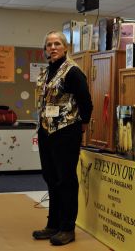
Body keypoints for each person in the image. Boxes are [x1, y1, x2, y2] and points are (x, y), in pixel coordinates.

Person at [32, 31, 93, 245]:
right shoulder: (46, 72)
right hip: (46, 131)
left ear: (65, 47)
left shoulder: (73, 72)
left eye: (57, 43)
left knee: (66, 180)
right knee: (50, 177)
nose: (53, 47)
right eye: (49, 44)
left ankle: (68, 228)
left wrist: (82, 124)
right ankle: (53, 224)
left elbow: (86, 101)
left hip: (67, 131)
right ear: (45, 49)